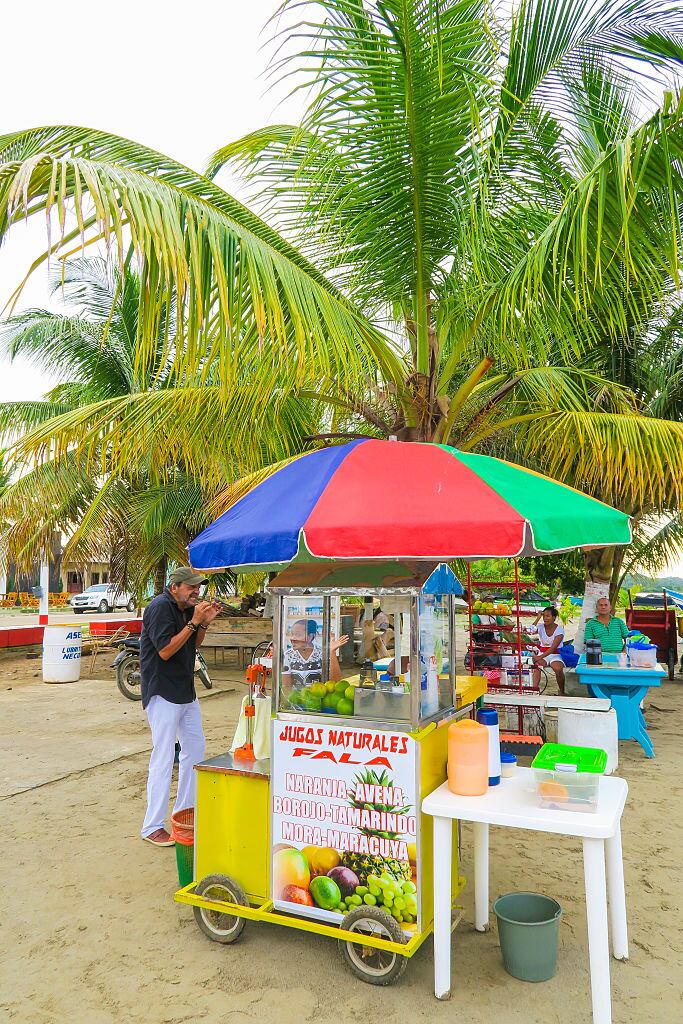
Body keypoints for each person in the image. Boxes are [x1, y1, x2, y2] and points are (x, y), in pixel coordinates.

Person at [140, 566, 222, 847]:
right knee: (163, 757)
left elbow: (193, 644)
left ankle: (184, 813)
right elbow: (165, 651)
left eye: (197, 588)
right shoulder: (160, 608)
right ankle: (151, 826)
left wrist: (204, 622)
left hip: (185, 689)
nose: (195, 592)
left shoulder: (186, 607)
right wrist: (193, 621)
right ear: (174, 586)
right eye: (191, 587)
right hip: (162, 691)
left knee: (195, 749)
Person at [282, 618, 349, 688]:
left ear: (310, 637)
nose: (292, 638)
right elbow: (286, 686)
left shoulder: (323, 654)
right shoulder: (287, 655)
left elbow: (336, 682)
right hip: (297, 698)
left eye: (298, 635)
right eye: (292, 634)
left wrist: (332, 652)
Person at [531, 606, 566, 695]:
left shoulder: (559, 629)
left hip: (556, 654)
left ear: (554, 618)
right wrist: (538, 617)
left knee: (558, 668)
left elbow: (553, 648)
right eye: (544, 616)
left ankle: (562, 692)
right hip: (543, 653)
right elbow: (531, 630)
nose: (545, 618)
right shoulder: (541, 627)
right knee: (537, 667)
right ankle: (534, 691)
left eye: (548, 616)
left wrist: (539, 657)